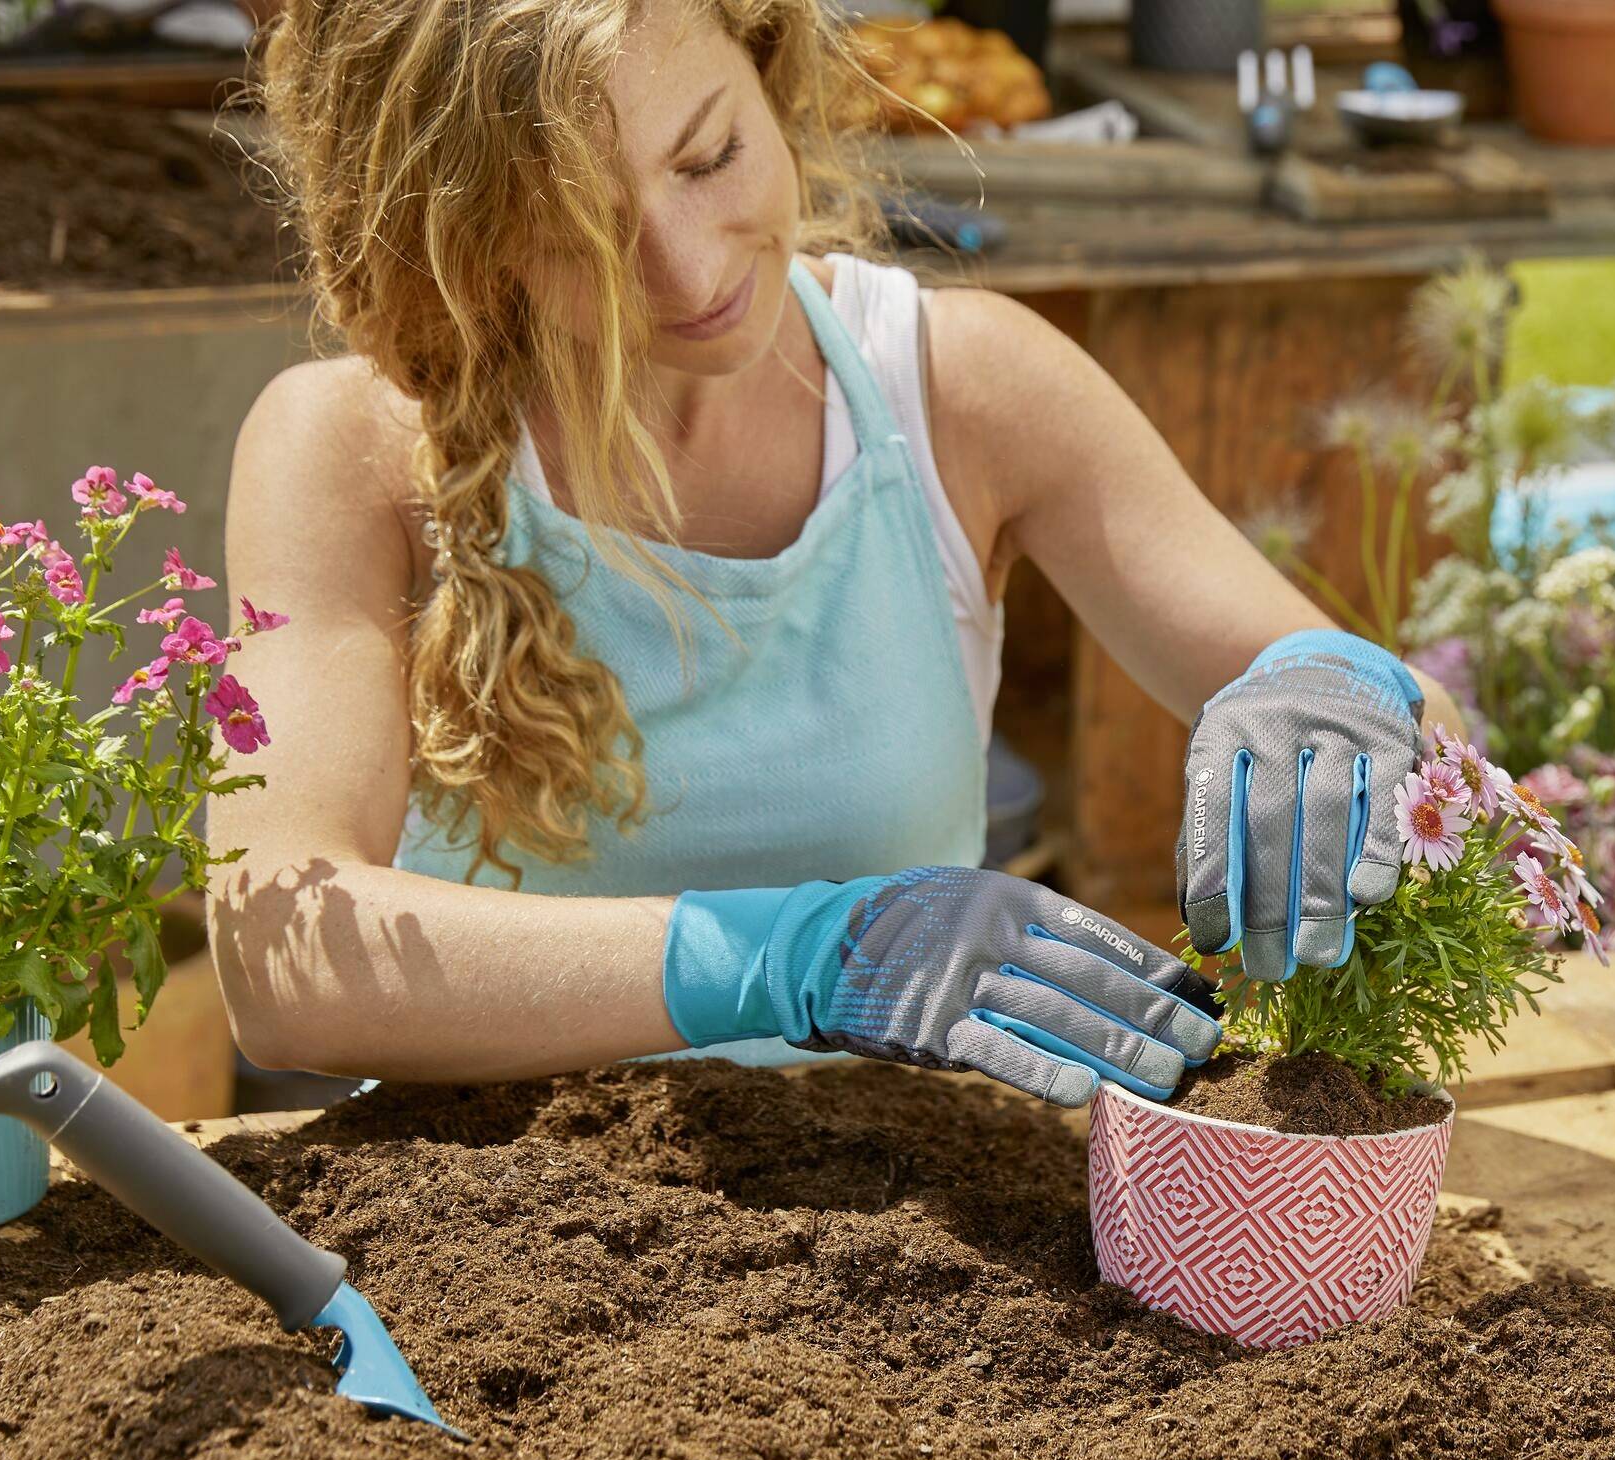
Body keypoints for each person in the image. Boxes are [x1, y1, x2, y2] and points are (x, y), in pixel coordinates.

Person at [207, 0, 1458, 1109]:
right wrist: (789, 957)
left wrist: (1335, 695)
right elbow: (282, 958)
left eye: (709, 157)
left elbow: (1415, 735)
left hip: (901, 1244)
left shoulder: (957, 389)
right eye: (570, 233)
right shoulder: (356, 448)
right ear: (449, 240)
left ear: (762, 58)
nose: (689, 270)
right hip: (495, 1243)